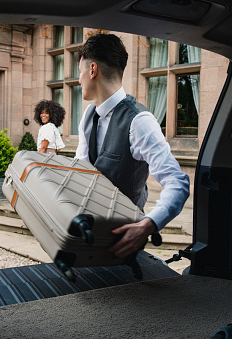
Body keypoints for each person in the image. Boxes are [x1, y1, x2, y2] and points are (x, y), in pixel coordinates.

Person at [75, 34, 190, 259]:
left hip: (124, 246)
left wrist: (148, 225)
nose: (78, 79)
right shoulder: (88, 115)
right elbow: (81, 170)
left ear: (92, 70)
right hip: (87, 237)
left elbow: (178, 182)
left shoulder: (140, 121)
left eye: (80, 71)